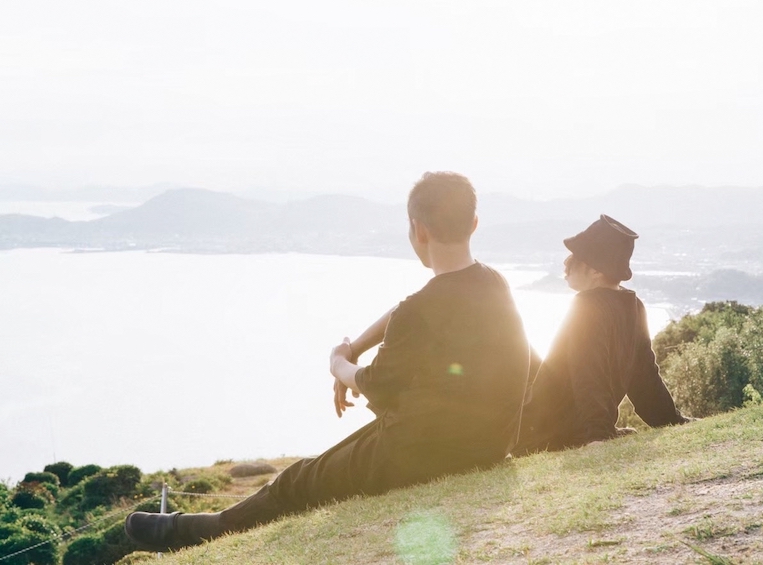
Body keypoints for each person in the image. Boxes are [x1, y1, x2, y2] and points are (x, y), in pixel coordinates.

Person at [125, 172, 532, 551]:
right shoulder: (495, 284)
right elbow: (413, 310)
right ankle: (202, 524)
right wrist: (356, 345)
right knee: (322, 464)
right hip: (487, 444)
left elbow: (375, 382)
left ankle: (199, 531)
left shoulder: (419, 311)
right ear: (474, 223)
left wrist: (338, 363)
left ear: (418, 229)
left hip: (425, 453)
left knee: (297, 481)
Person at [513, 214, 689, 455]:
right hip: (559, 432)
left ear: (595, 271)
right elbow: (644, 375)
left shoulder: (588, 306)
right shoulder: (632, 306)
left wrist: (599, 435)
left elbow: (591, 372)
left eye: (576, 257)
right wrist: (670, 421)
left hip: (543, 435)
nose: (566, 263)